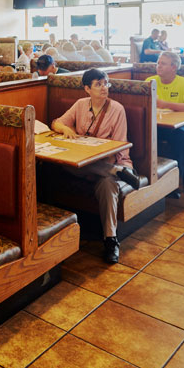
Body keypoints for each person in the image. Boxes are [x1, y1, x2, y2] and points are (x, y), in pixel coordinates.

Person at [51, 68, 141, 264]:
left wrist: (105, 161)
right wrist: (66, 128)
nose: (104, 88)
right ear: (87, 89)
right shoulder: (80, 104)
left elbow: (119, 147)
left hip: (112, 161)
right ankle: (117, 173)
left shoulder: (117, 109)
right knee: (64, 164)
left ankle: (110, 240)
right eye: (98, 84)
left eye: (106, 83)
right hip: (85, 163)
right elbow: (57, 123)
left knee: (108, 184)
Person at [147, 52, 184, 197]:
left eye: (163, 63)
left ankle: (177, 180)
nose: (158, 66)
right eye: (158, 63)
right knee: (142, 134)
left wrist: (165, 104)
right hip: (158, 124)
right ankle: (149, 180)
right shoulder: (150, 81)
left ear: (174, 67)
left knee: (181, 139)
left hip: (182, 126)